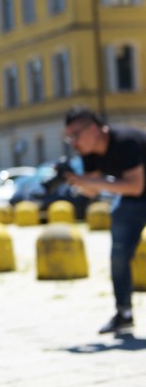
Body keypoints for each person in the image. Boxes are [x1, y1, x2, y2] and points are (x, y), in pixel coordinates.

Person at [63, 105, 146, 334]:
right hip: (132, 200)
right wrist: (74, 181)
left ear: (93, 129)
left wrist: (91, 182)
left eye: (75, 135)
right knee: (118, 255)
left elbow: (135, 185)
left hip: (134, 192)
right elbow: (92, 191)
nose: (72, 142)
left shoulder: (125, 140)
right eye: (69, 136)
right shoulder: (89, 154)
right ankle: (124, 313)